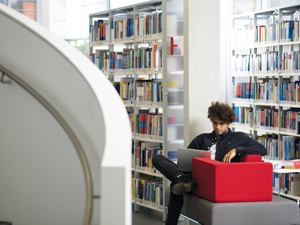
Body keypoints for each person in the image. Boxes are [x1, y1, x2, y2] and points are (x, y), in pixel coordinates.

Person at [152, 101, 267, 225]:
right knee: (157, 159)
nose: (217, 127)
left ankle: (182, 182)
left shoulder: (238, 138)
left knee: (176, 185)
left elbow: (262, 150)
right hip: (195, 175)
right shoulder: (202, 138)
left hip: (216, 179)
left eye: (221, 124)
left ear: (229, 123)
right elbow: (185, 160)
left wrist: (236, 150)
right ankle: (182, 178)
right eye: (215, 123)